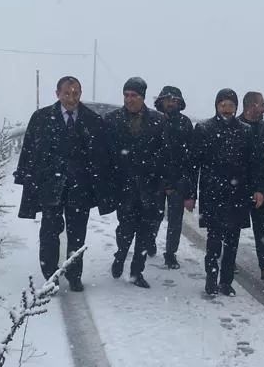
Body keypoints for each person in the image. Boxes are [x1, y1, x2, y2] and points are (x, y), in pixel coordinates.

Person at [14, 76, 109, 292]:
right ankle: (50, 277)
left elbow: (101, 156)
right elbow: (29, 150)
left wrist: (100, 184)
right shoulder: (41, 118)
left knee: (77, 234)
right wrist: (26, 177)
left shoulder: (92, 120)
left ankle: (74, 275)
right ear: (57, 94)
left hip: (80, 189)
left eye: (75, 93)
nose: (71, 98)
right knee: (49, 232)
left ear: (80, 94)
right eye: (67, 93)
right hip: (50, 186)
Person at [187, 88, 264, 296]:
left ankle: (226, 281)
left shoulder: (246, 131)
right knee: (214, 240)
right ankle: (211, 279)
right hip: (212, 192)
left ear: (236, 107)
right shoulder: (204, 129)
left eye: (231, 105)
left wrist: (258, 189)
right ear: (217, 106)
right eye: (223, 104)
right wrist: (190, 194)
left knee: (232, 241)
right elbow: (194, 164)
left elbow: (254, 164)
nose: (227, 109)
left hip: (238, 194)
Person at [101, 77, 168, 289]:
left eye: (134, 95)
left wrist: (162, 178)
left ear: (143, 97)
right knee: (125, 227)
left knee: (146, 230)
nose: (129, 99)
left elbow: (166, 153)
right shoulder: (112, 119)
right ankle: (120, 255)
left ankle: (137, 271)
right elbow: (106, 153)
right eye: (126, 95)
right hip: (124, 185)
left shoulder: (159, 120)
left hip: (150, 185)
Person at [151, 85, 195, 270]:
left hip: (178, 180)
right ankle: (148, 242)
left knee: (175, 221)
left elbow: (190, 157)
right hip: (155, 179)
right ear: (161, 101)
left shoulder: (185, 123)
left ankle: (170, 254)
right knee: (153, 216)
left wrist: (189, 190)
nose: (171, 103)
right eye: (168, 99)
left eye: (174, 100)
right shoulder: (152, 120)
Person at [238, 91, 264, 279]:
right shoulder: (236, 127)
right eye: (261, 104)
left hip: (263, 184)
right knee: (232, 228)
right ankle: (227, 261)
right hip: (237, 185)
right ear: (251, 106)